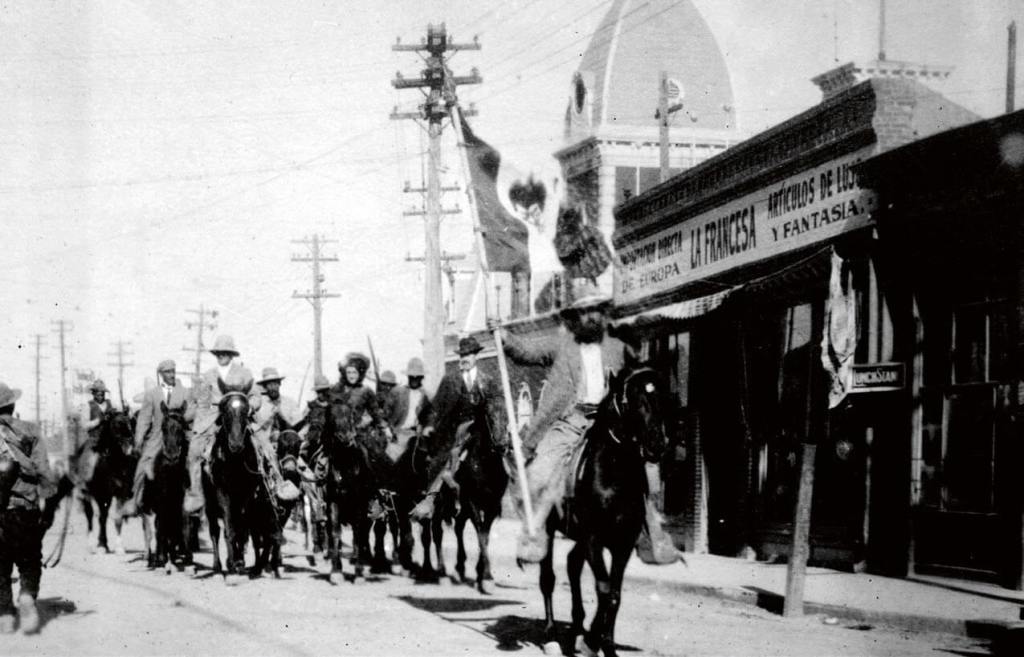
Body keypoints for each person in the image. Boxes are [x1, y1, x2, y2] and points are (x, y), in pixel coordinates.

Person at [497, 280, 679, 565]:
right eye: (584, 312)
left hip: (609, 422)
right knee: (541, 472)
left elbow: (636, 376)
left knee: (645, 473)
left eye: (595, 310)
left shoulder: (617, 347)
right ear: (575, 318)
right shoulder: (562, 345)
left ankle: (652, 536)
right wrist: (505, 337)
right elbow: (527, 352)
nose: (591, 316)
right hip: (570, 421)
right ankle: (536, 533)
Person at [184, 335, 296, 514]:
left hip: (239, 416)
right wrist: (201, 420)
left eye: (225, 353)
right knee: (195, 450)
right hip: (214, 417)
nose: (222, 356)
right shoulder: (208, 376)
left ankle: (279, 484)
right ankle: (196, 493)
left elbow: (255, 396)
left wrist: (250, 407)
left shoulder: (244, 374)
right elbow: (201, 402)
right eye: (219, 353)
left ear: (231, 354)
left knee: (264, 445)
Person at [410, 337, 504, 520]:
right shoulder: (450, 380)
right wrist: (429, 425)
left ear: (476, 356)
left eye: (468, 354)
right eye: (462, 355)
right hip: (453, 432)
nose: (465, 358)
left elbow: (497, 405)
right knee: (441, 460)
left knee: (502, 459)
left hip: (482, 430)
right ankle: (431, 499)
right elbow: (436, 406)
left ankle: (501, 494)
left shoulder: (488, 381)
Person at [0, 382, 57, 635]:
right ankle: (26, 598)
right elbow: (44, 471)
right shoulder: (30, 431)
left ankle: (3, 614)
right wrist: (49, 498)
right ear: (12, 405)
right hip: (25, 507)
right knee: (30, 559)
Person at [123, 360, 193, 517]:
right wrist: (139, 439)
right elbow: (144, 418)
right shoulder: (152, 394)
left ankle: (194, 498)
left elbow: (192, 411)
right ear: (161, 374)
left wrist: (179, 419)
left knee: (194, 462)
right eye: (167, 372)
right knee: (143, 463)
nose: (171, 375)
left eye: (173, 371)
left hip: (179, 435)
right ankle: (135, 498)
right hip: (157, 437)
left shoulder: (185, 392)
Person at [383, 358, 433, 463]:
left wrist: (427, 427)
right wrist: (387, 429)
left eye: (417, 377)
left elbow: (431, 417)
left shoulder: (427, 396)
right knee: (391, 462)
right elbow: (384, 416)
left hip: (417, 436)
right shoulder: (397, 392)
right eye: (411, 377)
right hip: (398, 434)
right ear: (408, 376)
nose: (414, 379)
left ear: (422, 377)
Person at [73, 379, 113, 485]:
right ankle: (84, 485)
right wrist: (98, 420)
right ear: (93, 393)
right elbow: (84, 425)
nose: (100, 395)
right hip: (94, 440)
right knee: (88, 463)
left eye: (102, 393)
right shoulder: (88, 406)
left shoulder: (111, 404)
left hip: (110, 439)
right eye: (97, 393)